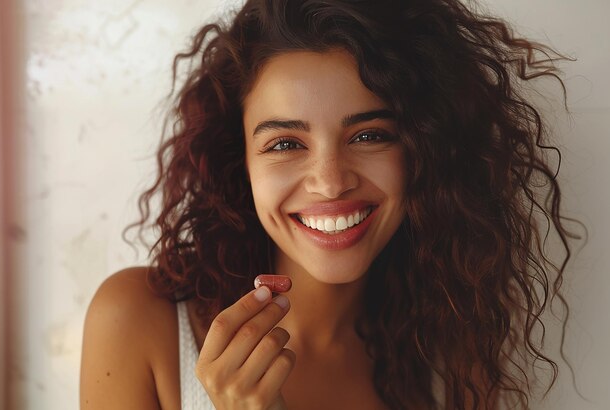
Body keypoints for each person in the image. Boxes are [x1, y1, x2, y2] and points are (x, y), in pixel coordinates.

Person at [79, 0, 583, 408]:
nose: (331, 181)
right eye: (284, 144)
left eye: (369, 134)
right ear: (241, 163)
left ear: (424, 152)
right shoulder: (140, 323)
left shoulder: (452, 354)